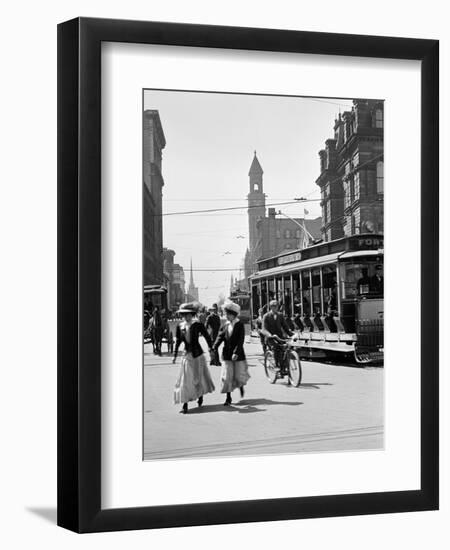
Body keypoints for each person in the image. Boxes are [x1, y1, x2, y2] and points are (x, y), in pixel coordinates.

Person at [172, 302, 215, 414]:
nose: (187, 317)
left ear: (193, 314)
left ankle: (200, 395)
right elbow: (178, 342)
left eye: (189, 314)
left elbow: (206, 336)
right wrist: (175, 355)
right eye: (185, 315)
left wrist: (211, 347)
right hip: (186, 355)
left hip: (198, 355)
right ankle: (185, 404)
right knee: (185, 380)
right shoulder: (180, 326)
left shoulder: (198, 325)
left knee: (198, 377)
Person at [213, 300, 250, 406]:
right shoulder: (225, 325)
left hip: (237, 354)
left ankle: (241, 386)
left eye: (228, 314)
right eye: (226, 314)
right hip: (227, 355)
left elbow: (240, 341)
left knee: (239, 376)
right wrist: (214, 347)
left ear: (233, 315)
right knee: (227, 377)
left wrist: (236, 352)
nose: (226, 316)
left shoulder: (239, 325)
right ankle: (228, 397)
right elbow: (219, 337)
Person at [262, 300, 294, 366]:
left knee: (286, 348)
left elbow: (285, 326)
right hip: (271, 338)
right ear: (270, 307)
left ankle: (285, 366)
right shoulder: (266, 316)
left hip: (280, 337)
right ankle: (276, 365)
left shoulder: (280, 315)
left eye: (276, 306)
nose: (275, 308)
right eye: (273, 306)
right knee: (276, 348)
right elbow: (264, 329)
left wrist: (292, 334)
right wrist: (270, 335)